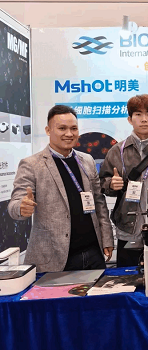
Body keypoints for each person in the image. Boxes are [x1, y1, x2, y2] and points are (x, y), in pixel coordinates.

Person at [8, 105, 114, 272]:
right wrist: (21, 207)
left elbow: (99, 202)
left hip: (93, 253)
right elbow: (15, 204)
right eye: (62, 128)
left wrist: (107, 238)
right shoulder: (32, 165)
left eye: (73, 128)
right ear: (48, 130)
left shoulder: (87, 160)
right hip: (54, 258)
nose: (69, 134)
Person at [99, 94, 148, 267]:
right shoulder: (117, 151)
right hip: (128, 228)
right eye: (138, 114)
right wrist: (111, 185)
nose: (144, 119)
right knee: (128, 276)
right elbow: (101, 183)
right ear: (129, 119)